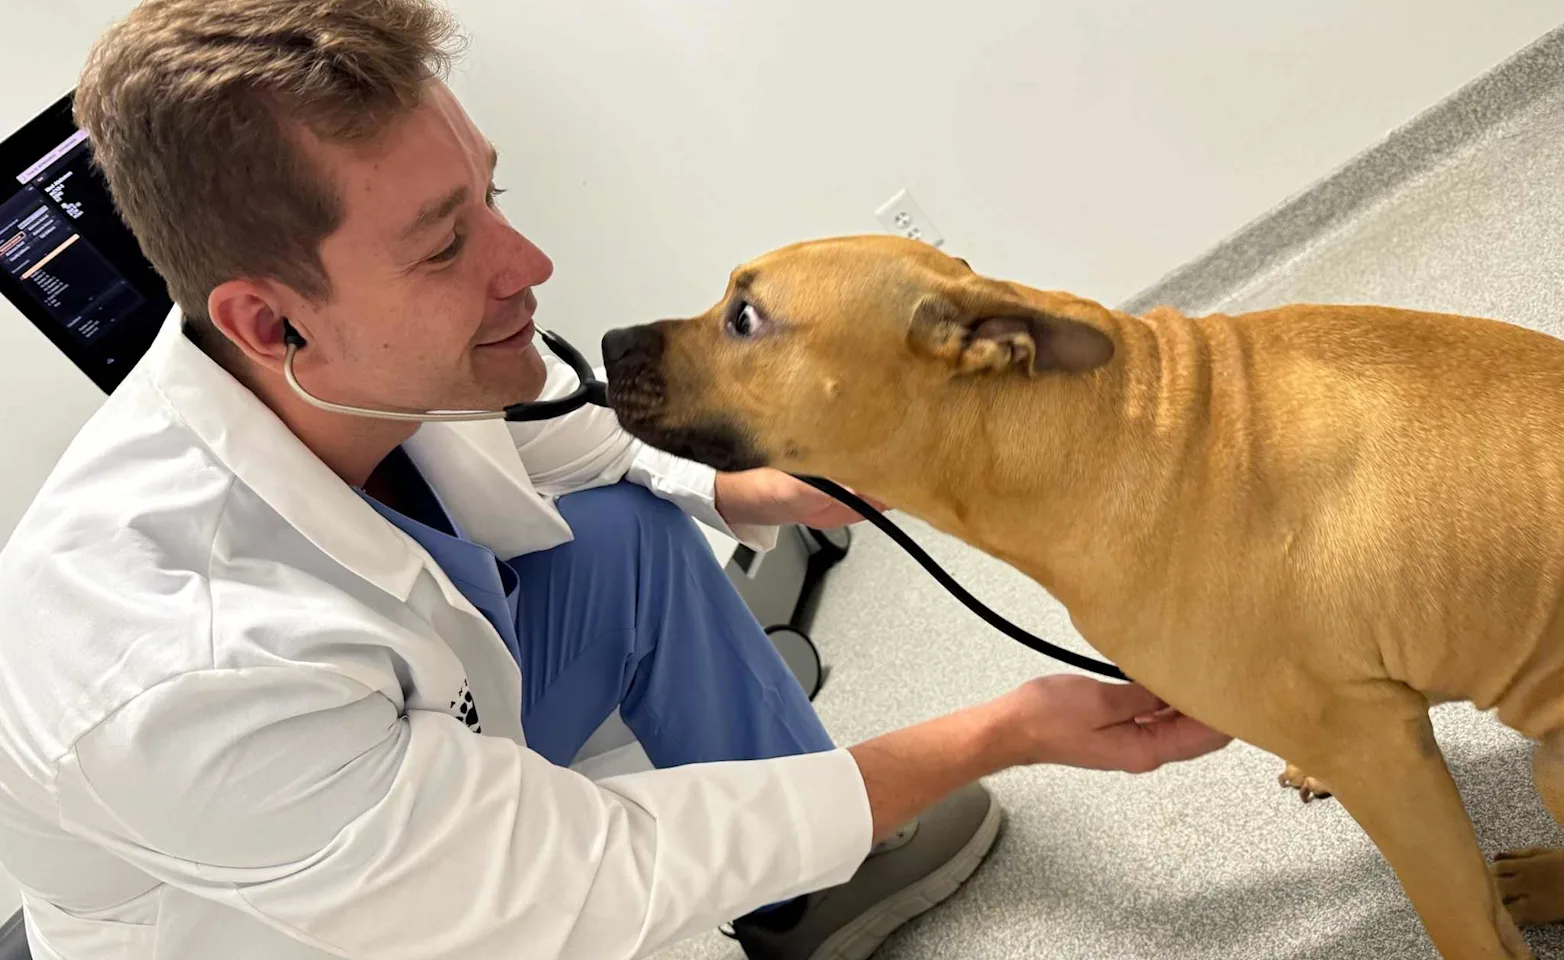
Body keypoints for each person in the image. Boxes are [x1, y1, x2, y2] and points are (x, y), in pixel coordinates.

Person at [0, 2, 1232, 958]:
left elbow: (558, 440)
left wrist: (744, 492)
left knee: (624, 537)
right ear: (268, 320)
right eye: (444, 243)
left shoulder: (316, 362)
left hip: (380, 749)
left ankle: (804, 890)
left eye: (490, 196)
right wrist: (995, 731)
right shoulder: (176, 676)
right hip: (282, 922)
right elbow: (574, 886)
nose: (526, 263)